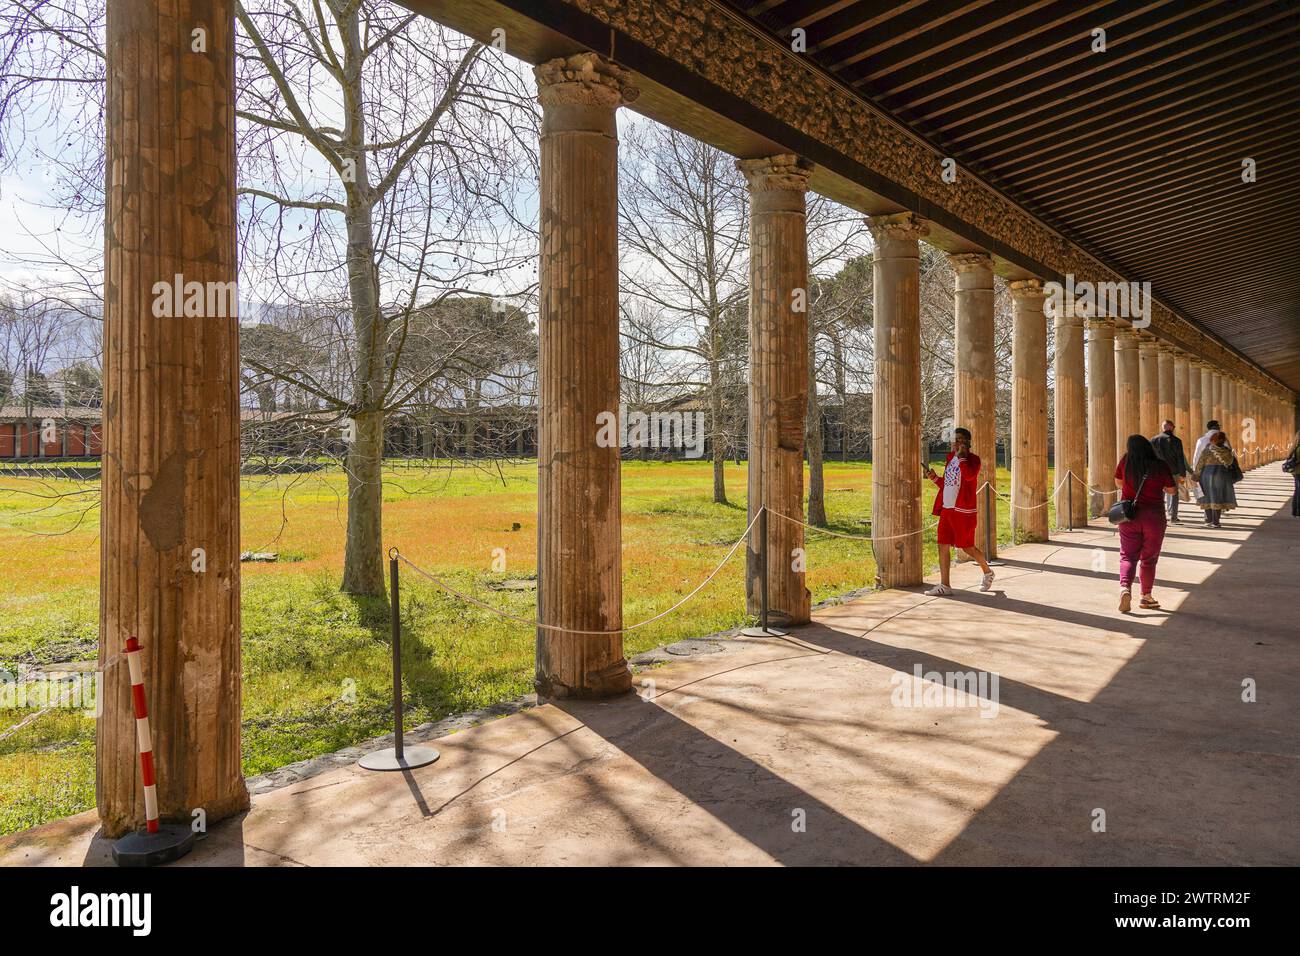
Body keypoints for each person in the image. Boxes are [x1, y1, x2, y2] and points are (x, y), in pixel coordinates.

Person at [922, 427, 994, 596]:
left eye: (961, 440)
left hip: (963, 511)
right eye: (955, 440)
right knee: (942, 545)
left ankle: (987, 572)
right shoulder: (950, 458)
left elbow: (969, 476)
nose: (958, 443)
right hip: (947, 509)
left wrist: (962, 458)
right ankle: (945, 585)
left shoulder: (973, 460)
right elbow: (949, 484)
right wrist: (934, 478)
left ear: (968, 442)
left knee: (967, 547)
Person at [1113, 434, 1176, 613]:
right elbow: (1171, 490)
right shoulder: (1160, 465)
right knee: (1149, 559)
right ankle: (1146, 597)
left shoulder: (1126, 461)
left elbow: (1118, 483)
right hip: (1154, 518)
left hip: (1129, 516)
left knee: (1127, 556)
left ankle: (1125, 588)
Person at [1192, 430, 1238, 527]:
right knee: (1218, 497)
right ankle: (1216, 522)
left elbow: (1200, 464)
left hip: (1206, 476)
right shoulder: (1226, 451)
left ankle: (1209, 520)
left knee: (1207, 497)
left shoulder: (1207, 450)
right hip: (1222, 476)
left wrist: (1195, 476)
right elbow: (1230, 462)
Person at [1150, 419, 1189, 524]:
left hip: (1158, 472)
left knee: (1159, 495)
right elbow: (1180, 458)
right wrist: (1182, 474)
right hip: (1173, 471)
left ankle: (1159, 517)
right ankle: (1174, 517)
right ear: (1171, 427)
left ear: (1163, 428)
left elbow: (1149, 457)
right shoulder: (1177, 441)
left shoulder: (1153, 440)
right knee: (1174, 494)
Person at [1285, 430, 1300, 518]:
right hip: (1299, 471)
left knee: (1297, 490)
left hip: (1295, 471)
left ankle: (1295, 511)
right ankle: (1297, 511)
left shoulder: (1294, 447)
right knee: (1298, 491)